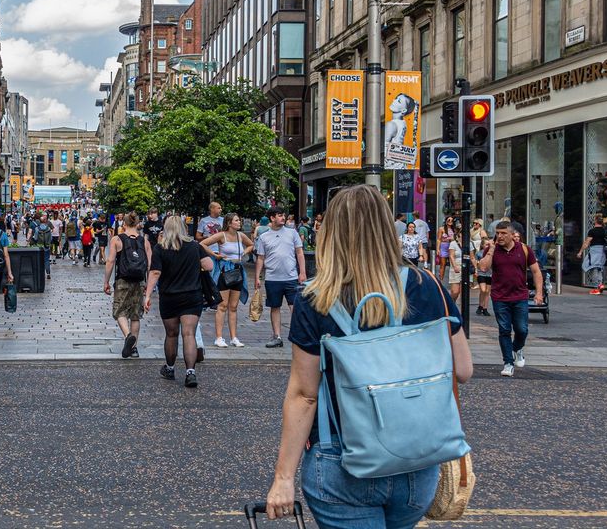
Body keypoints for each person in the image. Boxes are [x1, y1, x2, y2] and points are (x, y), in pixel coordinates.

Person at [265, 185, 473, 527]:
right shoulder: (429, 286)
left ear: (332, 232)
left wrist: (283, 478)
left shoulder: (317, 299)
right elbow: (462, 370)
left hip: (342, 459)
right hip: (416, 459)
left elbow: (304, 395)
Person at [145, 215, 214, 388]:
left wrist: (147, 295)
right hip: (192, 296)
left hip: (169, 297)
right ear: (184, 229)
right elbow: (209, 266)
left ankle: (170, 368)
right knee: (188, 334)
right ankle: (190, 372)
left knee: (171, 334)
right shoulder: (194, 247)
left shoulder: (160, 249)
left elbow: (154, 273)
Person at [477, 221, 544, 378]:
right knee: (504, 330)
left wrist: (539, 293)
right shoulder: (492, 249)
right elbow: (483, 267)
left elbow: (536, 272)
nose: (499, 236)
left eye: (503, 233)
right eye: (497, 233)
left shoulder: (524, 249)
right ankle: (508, 363)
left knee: (522, 329)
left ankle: (517, 348)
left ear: (512, 235)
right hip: (500, 297)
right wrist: (492, 249)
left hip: (520, 296)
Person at [254, 207, 306, 348]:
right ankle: (277, 336)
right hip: (272, 278)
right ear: (272, 218)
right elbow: (260, 258)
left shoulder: (292, 233)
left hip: (291, 277)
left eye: (284, 215)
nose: (283, 217)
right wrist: (257, 277)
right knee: (274, 307)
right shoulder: (264, 237)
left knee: (294, 306)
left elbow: (300, 253)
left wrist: (302, 272)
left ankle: (300, 335)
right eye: (280, 215)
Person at [201, 213, 253, 348]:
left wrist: (244, 253)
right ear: (229, 223)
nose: (239, 222)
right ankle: (218, 337)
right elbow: (202, 244)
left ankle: (234, 337)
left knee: (234, 307)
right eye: (236, 220)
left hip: (238, 270)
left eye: (239, 220)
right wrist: (215, 255)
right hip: (225, 270)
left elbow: (251, 245)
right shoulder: (221, 235)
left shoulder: (240, 236)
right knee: (222, 305)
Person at [104, 212, 151, 359]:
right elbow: (150, 266)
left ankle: (128, 336)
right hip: (139, 281)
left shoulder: (117, 239)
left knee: (119, 311)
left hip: (122, 280)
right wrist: (148, 287)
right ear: (138, 224)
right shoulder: (144, 241)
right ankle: (134, 348)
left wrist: (106, 281)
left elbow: (110, 261)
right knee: (136, 314)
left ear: (123, 224)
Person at [577, 215, 607, 295]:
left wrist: (580, 252)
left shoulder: (592, 231)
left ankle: (597, 287)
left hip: (594, 251)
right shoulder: (605, 231)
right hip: (603, 251)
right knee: (599, 269)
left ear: (595, 221)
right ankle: (600, 284)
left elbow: (586, 242)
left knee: (593, 268)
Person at [471, 219, 492, 316]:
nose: (474, 224)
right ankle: (480, 305)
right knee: (483, 290)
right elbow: (475, 260)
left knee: (487, 291)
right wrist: (476, 268)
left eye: (476, 223)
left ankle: (484, 308)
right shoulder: (479, 253)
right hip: (481, 272)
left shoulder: (492, 252)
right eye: (486, 244)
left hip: (490, 273)